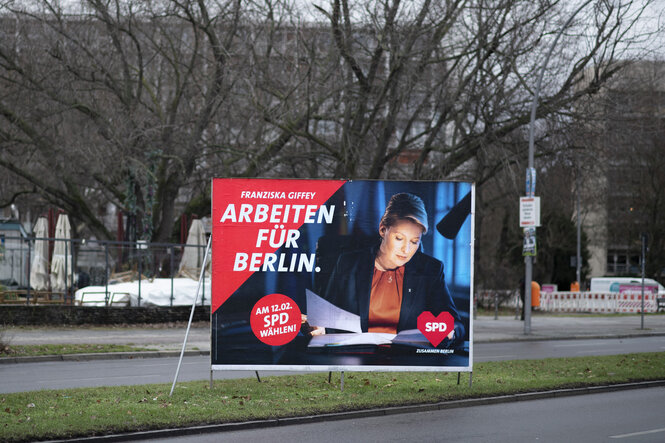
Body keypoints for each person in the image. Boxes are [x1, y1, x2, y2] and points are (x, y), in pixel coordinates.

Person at [322, 192, 464, 346]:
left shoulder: (430, 270)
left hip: (407, 358)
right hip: (356, 354)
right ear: (383, 230)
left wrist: (450, 331)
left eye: (415, 241)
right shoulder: (348, 263)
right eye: (399, 238)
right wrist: (320, 328)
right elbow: (327, 317)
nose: (406, 249)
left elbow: (456, 325)